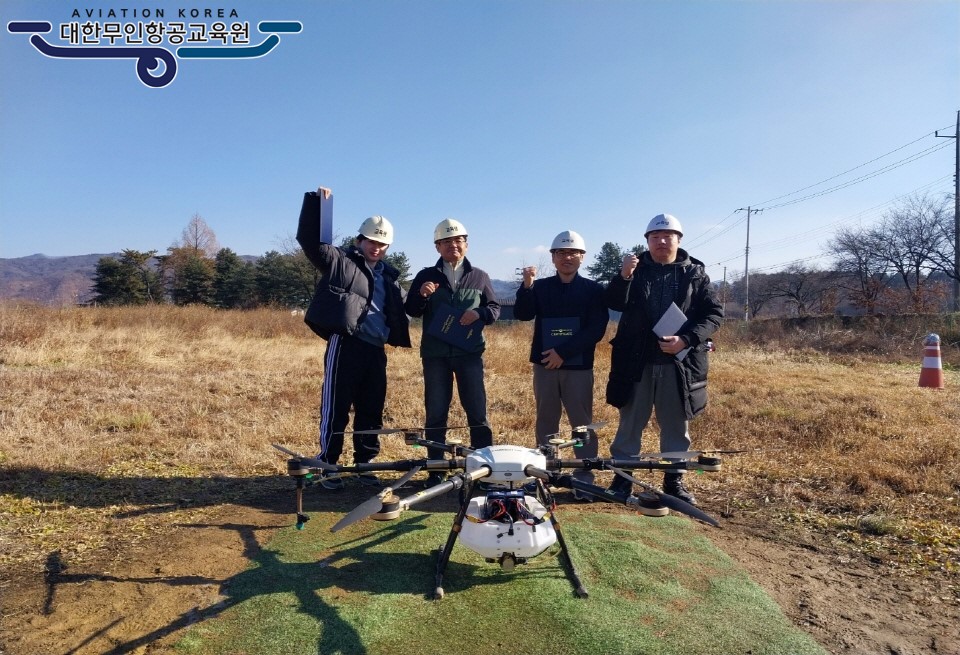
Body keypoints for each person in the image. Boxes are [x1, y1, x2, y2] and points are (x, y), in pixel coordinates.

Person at [296, 187, 411, 490]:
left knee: (371, 409)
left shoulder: (389, 277)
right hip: (346, 343)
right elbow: (310, 241)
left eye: (382, 243)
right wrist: (318, 204)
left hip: (376, 350)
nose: (377, 247)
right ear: (360, 240)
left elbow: (407, 307)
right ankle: (328, 464)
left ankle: (365, 464)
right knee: (336, 407)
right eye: (372, 241)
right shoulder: (340, 261)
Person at [604, 213, 723, 505]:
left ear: (678, 240)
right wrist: (623, 276)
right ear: (647, 241)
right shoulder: (635, 270)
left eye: (667, 236)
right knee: (630, 424)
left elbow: (714, 315)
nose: (661, 241)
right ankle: (623, 479)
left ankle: (674, 481)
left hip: (678, 364)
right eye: (655, 237)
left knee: (675, 426)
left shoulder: (695, 273)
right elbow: (614, 302)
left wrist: (687, 339)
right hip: (637, 362)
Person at [404, 218, 500, 487]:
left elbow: (494, 309)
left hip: (469, 353)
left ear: (466, 244)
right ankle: (436, 468)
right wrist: (422, 295)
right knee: (436, 412)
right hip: (435, 355)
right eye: (446, 242)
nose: (453, 245)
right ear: (437, 247)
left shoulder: (480, 276)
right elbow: (411, 310)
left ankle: (484, 468)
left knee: (477, 411)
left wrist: (479, 313)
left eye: (458, 240)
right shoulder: (425, 275)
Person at [514, 230, 608, 500]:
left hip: (578, 367)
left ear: (582, 257)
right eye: (562, 253)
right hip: (545, 366)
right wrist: (526, 287)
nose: (567, 257)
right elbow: (522, 314)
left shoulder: (593, 290)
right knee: (546, 420)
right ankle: (546, 474)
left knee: (581, 424)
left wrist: (563, 353)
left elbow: (596, 329)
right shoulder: (541, 287)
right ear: (553, 257)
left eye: (573, 253)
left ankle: (584, 477)